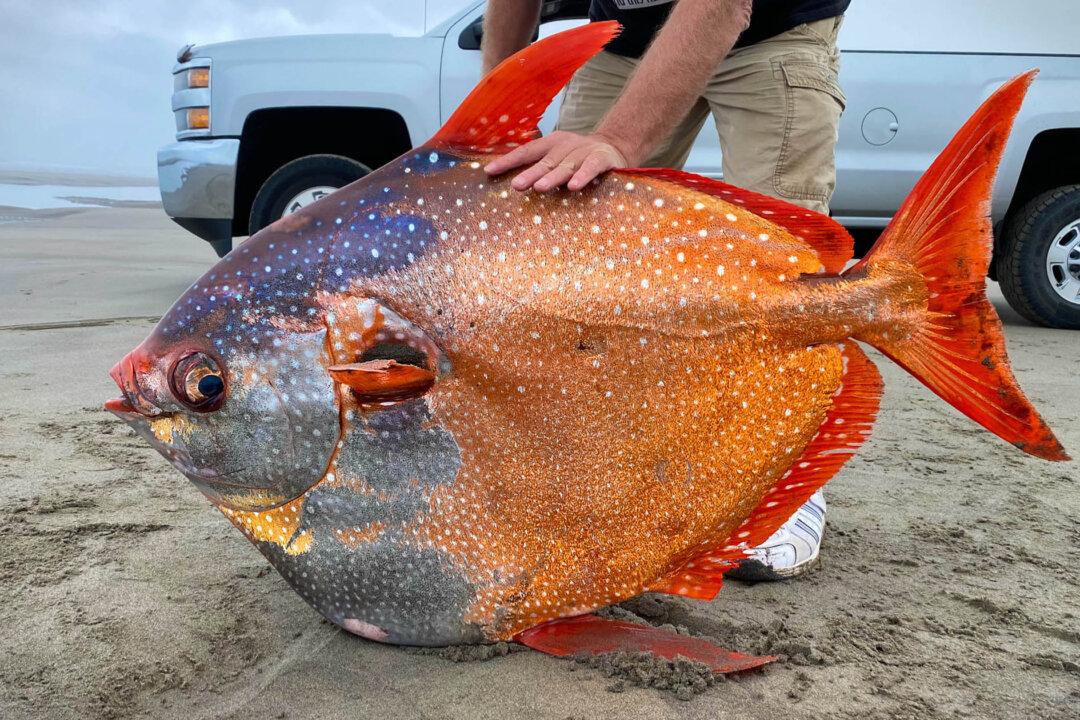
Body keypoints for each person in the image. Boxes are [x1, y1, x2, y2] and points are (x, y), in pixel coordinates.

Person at [481, 0, 850, 580]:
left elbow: (721, 6)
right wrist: (497, 114)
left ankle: (783, 484)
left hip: (774, 26)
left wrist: (619, 142)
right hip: (628, 42)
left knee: (784, 263)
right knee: (568, 250)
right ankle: (602, 473)